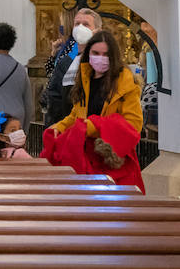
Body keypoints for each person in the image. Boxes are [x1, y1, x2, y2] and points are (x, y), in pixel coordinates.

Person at [44, 29, 145, 190]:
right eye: (96, 53)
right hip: (86, 155)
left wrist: (92, 126)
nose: (101, 58)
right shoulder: (85, 78)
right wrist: (59, 127)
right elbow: (76, 115)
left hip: (112, 156)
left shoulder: (126, 83)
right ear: (88, 54)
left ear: (113, 56)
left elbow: (134, 124)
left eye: (105, 55)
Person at [41, 7, 103, 127]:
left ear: (97, 31)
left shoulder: (103, 62)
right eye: (77, 24)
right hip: (68, 131)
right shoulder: (65, 63)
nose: (80, 28)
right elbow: (55, 100)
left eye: (86, 24)